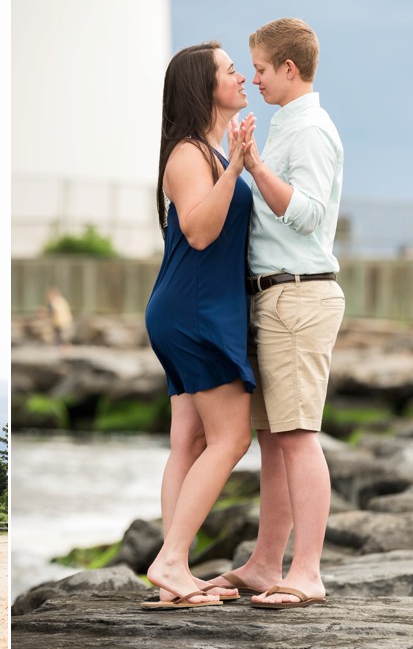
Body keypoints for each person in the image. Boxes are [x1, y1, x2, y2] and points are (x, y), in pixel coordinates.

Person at [206, 18, 344, 609]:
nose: (253, 77)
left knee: (298, 437)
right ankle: (267, 562)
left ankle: (306, 571)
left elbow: (309, 214)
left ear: (289, 68)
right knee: (273, 437)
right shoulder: (288, 122)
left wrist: (254, 165)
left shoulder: (309, 129)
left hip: (298, 294)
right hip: (272, 296)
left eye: (260, 68)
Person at [141, 41, 257, 609]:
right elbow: (201, 232)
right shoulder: (190, 155)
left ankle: (174, 577)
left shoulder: (206, 150)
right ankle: (170, 560)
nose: (241, 77)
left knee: (187, 440)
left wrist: (235, 161)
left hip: (191, 309)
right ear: (203, 87)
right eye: (230, 70)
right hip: (194, 313)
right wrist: (236, 165)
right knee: (231, 437)